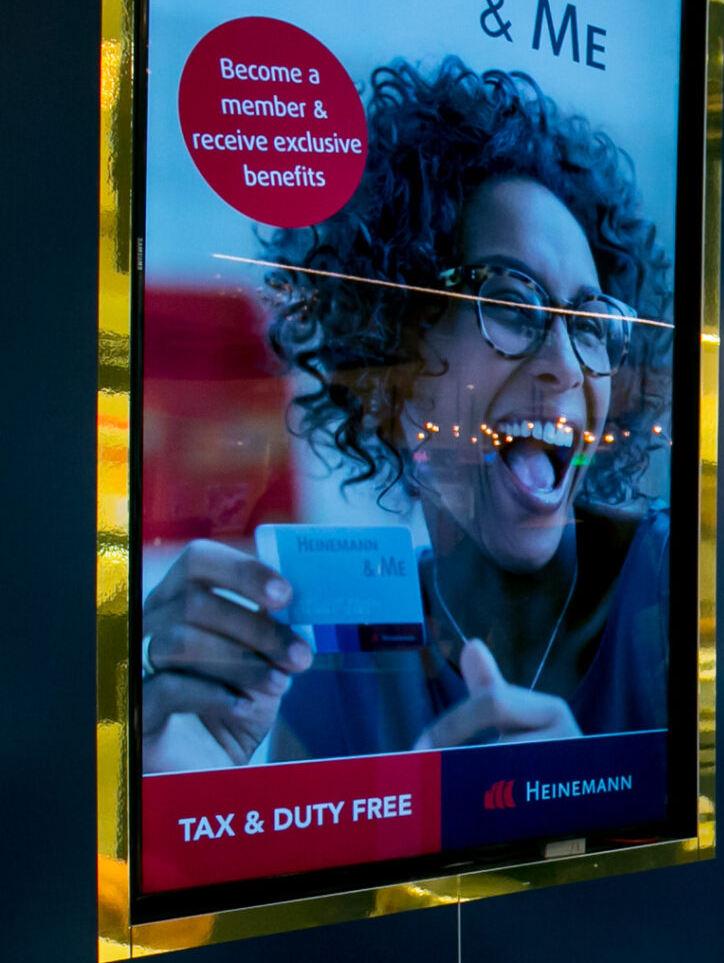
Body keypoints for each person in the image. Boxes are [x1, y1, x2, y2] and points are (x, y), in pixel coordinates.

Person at [138, 58, 676, 774]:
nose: (568, 365)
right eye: (513, 305)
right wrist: (190, 775)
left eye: (589, 323)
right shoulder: (337, 665)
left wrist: (585, 809)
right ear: (391, 368)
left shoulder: (683, 590)